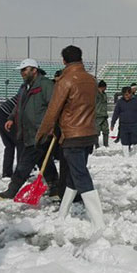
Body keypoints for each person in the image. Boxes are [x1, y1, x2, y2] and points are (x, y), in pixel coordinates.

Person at [36, 45, 105, 229]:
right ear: (81, 58)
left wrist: (42, 133)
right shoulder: (91, 80)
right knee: (73, 177)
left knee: (80, 175)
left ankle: (98, 222)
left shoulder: (65, 81)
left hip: (72, 135)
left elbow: (53, 111)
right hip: (89, 134)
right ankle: (62, 214)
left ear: (64, 60)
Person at [0, 58, 59, 201]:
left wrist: (52, 125)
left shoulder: (46, 85)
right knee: (43, 161)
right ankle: (55, 188)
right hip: (27, 131)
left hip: (41, 131)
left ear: (34, 70)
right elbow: (18, 106)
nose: (22, 73)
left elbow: (54, 106)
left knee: (24, 163)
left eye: (24, 70)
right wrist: (11, 118)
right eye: (21, 70)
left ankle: (11, 191)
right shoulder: (24, 87)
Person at [0, 92, 24, 178]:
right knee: (20, 142)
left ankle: (7, 173)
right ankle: (20, 173)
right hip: (6, 116)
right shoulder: (28, 94)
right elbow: (19, 110)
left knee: (9, 145)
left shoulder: (25, 90)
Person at [111, 86, 137, 157]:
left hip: (134, 124)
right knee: (124, 141)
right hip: (123, 125)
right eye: (124, 95)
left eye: (127, 94)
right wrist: (112, 123)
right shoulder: (120, 102)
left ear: (131, 94)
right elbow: (116, 113)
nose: (125, 96)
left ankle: (136, 154)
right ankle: (126, 156)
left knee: (134, 139)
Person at [95, 80, 109, 148]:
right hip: (97, 115)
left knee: (106, 131)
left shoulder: (104, 94)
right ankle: (96, 145)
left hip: (104, 115)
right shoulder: (95, 94)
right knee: (96, 131)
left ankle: (106, 144)